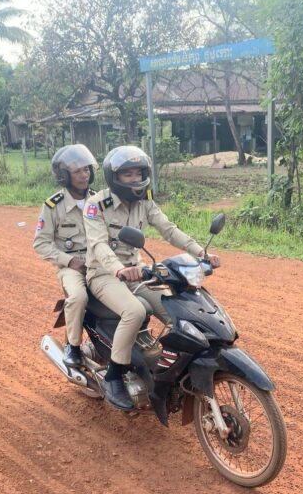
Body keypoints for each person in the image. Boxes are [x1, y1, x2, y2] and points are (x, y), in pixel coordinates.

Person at [83, 146, 220, 410]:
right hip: (104, 274)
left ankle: (169, 370)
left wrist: (201, 252)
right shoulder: (96, 204)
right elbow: (98, 245)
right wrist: (118, 269)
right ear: (114, 177)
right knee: (134, 311)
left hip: (138, 272)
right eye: (128, 174)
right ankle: (114, 376)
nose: (135, 179)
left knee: (178, 311)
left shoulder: (144, 201)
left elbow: (168, 229)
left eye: (138, 173)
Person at [33, 144, 97, 368]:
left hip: (100, 262)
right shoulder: (53, 206)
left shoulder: (99, 201)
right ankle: (73, 345)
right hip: (72, 267)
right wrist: (70, 261)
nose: (84, 175)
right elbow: (40, 243)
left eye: (86, 169)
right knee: (78, 297)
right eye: (77, 171)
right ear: (64, 176)